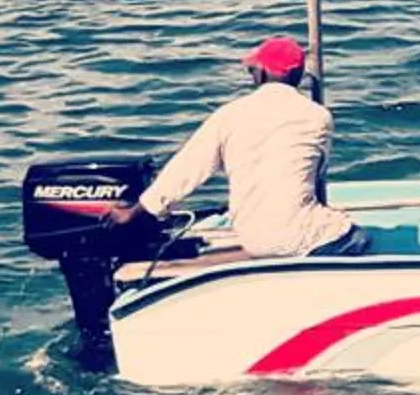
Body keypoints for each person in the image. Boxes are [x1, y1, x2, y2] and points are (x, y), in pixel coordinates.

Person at [115, 35, 369, 259]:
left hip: (252, 238)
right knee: (358, 236)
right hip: (298, 238)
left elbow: (186, 170)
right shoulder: (318, 116)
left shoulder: (229, 115)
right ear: (298, 76)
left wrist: (137, 212)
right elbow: (317, 171)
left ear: (260, 73)